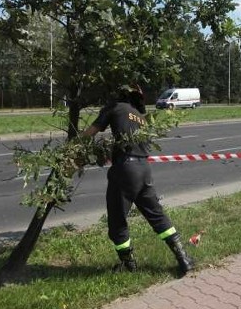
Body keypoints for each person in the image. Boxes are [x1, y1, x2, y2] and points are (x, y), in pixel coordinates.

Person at [81, 84, 195, 277]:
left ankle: (128, 263)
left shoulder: (115, 107)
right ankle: (183, 258)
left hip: (125, 170)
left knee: (117, 220)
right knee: (156, 214)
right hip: (144, 169)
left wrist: (73, 147)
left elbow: (89, 133)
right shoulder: (140, 117)